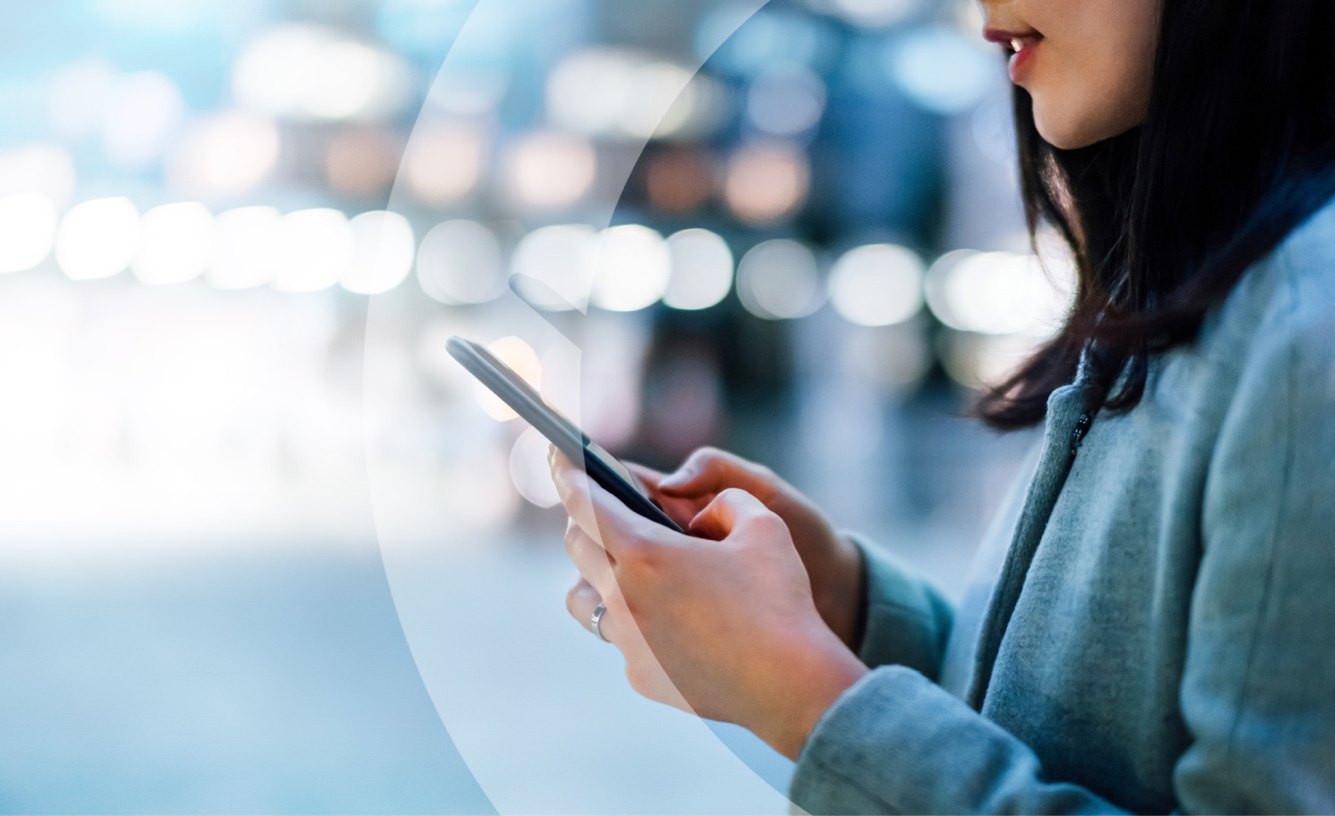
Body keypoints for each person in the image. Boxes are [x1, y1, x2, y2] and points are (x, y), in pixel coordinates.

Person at [549, 0, 1335, 812]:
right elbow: (1077, 728)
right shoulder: (1199, 275)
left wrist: (804, 698)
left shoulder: (1306, 322)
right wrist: (850, 606)